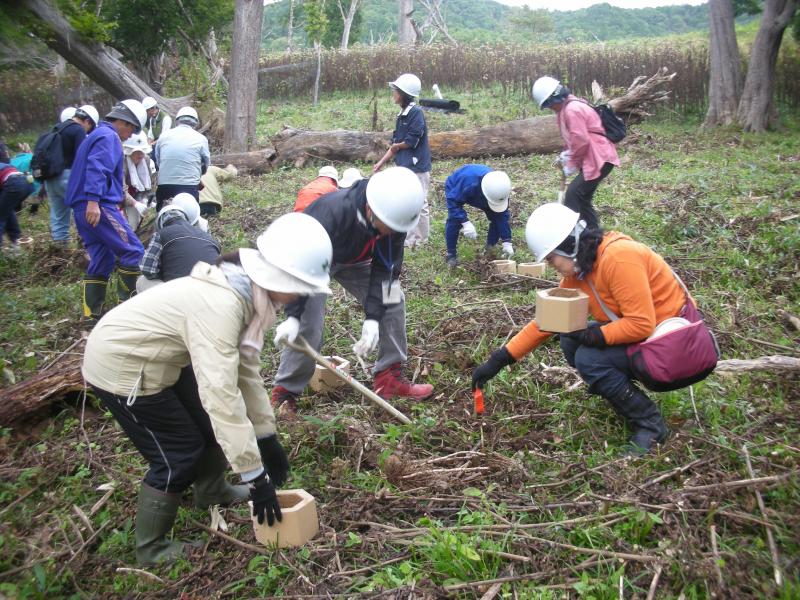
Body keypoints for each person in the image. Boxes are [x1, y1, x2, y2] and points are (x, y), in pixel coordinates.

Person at [82, 212, 333, 565]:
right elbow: (221, 395)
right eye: (299, 286)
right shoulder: (223, 305)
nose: (299, 296)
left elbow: (245, 373)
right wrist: (255, 476)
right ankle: (150, 548)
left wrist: (265, 435)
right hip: (123, 366)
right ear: (278, 275)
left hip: (159, 358)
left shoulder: (248, 293)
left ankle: (211, 489)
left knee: (204, 423)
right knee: (177, 455)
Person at [472, 203, 691, 455]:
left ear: (570, 244)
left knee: (589, 358)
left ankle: (651, 426)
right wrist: (500, 359)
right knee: (570, 340)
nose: (553, 265)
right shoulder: (581, 272)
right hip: (652, 339)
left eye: (552, 258)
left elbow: (641, 324)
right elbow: (548, 322)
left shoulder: (618, 257)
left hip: (674, 345)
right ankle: (621, 392)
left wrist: (594, 335)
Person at [272, 166, 434, 415]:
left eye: (394, 229)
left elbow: (386, 269)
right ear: (370, 208)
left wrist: (372, 316)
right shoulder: (331, 214)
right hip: (312, 258)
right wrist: (293, 314)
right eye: (385, 226)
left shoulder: (396, 218)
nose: (389, 233)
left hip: (356, 259)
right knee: (308, 325)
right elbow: (299, 266)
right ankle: (285, 392)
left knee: (394, 297)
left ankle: (388, 377)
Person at [65, 99, 148, 324]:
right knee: (133, 250)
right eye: (131, 128)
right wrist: (94, 201)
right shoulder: (109, 137)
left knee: (102, 258)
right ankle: (129, 312)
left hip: (82, 208)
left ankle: (92, 315)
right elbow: (97, 167)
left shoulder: (95, 134)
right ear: (122, 121)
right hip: (98, 206)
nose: (130, 135)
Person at [532, 76, 620, 230]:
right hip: (595, 157)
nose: (550, 108)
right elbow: (573, 137)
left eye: (549, 105)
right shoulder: (566, 109)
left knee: (573, 194)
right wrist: (567, 153)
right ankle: (594, 234)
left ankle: (569, 234)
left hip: (599, 158)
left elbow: (581, 141)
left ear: (554, 99)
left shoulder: (572, 110)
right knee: (583, 198)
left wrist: (571, 162)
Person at [372, 73, 431, 249]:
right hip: (404, 166)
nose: (393, 94)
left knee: (420, 203)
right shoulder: (402, 115)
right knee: (407, 201)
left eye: (395, 91)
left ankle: (421, 240)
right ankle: (409, 238)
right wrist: (380, 163)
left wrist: (397, 146)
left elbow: (411, 141)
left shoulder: (416, 114)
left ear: (404, 93)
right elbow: (394, 145)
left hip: (417, 166)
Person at [137, 194, 220, 293]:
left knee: (142, 281)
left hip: (180, 297)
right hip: (213, 293)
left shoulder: (161, 234)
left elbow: (147, 270)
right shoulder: (210, 238)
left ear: (160, 224)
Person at [43, 104, 99, 248]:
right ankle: (86, 247)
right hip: (67, 177)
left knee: (59, 216)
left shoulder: (57, 128)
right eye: (90, 128)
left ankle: (60, 252)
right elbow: (82, 159)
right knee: (83, 211)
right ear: (87, 121)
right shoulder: (78, 130)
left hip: (50, 179)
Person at [444, 165, 513, 268]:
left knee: (496, 217)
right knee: (454, 219)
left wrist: (507, 241)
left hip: (486, 196)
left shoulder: (500, 190)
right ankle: (451, 255)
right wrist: (465, 222)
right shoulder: (469, 184)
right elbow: (453, 202)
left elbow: (502, 216)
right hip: (458, 187)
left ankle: (489, 249)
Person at [153, 106, 210, 211]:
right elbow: (206, 163)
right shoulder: (201, 139)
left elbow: (158, 160)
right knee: (190, 215)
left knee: (163, 213)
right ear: (195, 123)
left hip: (165, 185)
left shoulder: (164, 136)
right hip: (189, 186)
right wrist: (198, 173)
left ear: (177, 121)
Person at [122, 132, 156, 230]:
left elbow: (149, 183)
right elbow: (121, 189)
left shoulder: (146, 160)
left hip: (137, 195)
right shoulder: (122, 162)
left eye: (142, 151)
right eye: (137, 151)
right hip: (118, 197)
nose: (140, 154)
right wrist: (135, 204)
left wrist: (145, 200)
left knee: (134, 224)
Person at [0, 161, 35, 255]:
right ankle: (16, 244)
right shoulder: (3, 165)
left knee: (1, 216)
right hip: (27, 182)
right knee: (7, 211)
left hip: (14, 184)